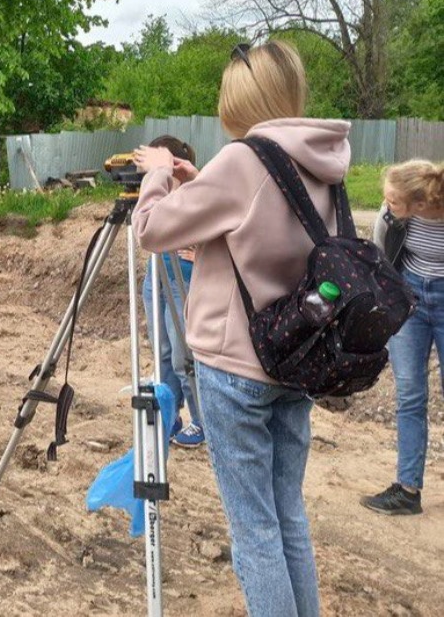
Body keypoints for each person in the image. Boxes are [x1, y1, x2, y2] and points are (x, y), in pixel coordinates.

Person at [132, 40, 349, 617]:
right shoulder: (325, 161)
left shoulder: (244, 160)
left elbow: (152, 230)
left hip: (235, 369)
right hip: (296, 360)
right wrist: (200, 179)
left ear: (241, 102)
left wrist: (157, 175)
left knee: (254, 532)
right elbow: (263, 219)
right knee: (287, 519)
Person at [361, 160, 444, 516]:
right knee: (410, 394)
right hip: (411, 301)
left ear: (420, 203)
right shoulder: (393, 213)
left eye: (393, 201)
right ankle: (407, 490)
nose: (386, 204)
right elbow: (381, 257)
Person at [140, 135, 204, 448]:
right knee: (162, 352)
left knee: (183, 355)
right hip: (158, 272)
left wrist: (200, 251)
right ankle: (169, 414)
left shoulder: (194, 191)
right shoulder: (157, 188)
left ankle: (202, 420)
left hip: (185, 279)